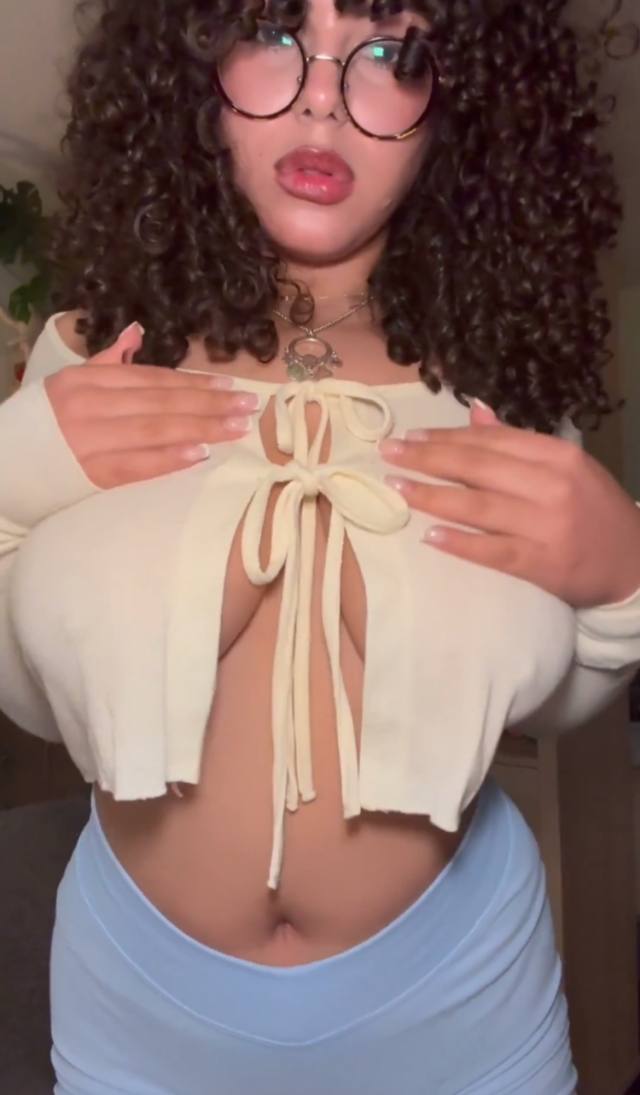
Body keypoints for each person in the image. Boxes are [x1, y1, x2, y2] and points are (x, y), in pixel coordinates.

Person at [2, 0, 640, 1091]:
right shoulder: (99, 350)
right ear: (193, 58)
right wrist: (13, 471)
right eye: (272, 32)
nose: (322, 105)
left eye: (391, 53)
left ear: (457, 105)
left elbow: (546, 704)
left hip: (461, 996)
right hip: (142, 1004)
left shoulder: (504, 389)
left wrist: (625, 587)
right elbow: (31, 696)